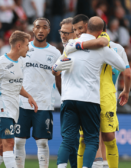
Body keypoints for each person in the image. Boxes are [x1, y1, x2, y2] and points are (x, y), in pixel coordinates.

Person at [53, 16, 126, 168]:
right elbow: (121, 66)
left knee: (69, 140)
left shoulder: (70, 44)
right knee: (92, 139)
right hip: (89, 99)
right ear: (101, 31)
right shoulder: (103, 48)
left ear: (85, 27)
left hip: (68, 99)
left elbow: (55, 67)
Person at [0, 30, 38, 168]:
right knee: (10, 143)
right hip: (1, 107)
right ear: (19, 45)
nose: (28, 49)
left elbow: (17, 85)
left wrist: (29, 96)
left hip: (12, 108)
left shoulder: (20, 62)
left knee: (1, 146)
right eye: (27, 45)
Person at [14, 18, 60, 168]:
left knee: (42, 142)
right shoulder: (24, 49)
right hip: (22, 102)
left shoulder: (54, 53)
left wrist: (63, 95)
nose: (41, 30)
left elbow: (58, 77)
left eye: (44, 27)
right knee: (19, 141)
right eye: (37, 27)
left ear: (48, 30)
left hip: (44, 103)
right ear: (32, 30)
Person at [58, 17, 79, 168]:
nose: (63, 35)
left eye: (67, 32)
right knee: (72, 140)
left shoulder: (73, 50)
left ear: (76, 32)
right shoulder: (65, 51)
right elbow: (57, 76)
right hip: (69, 100)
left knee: (74, 140)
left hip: (83, 101)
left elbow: (55, 71)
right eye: (61, 32)